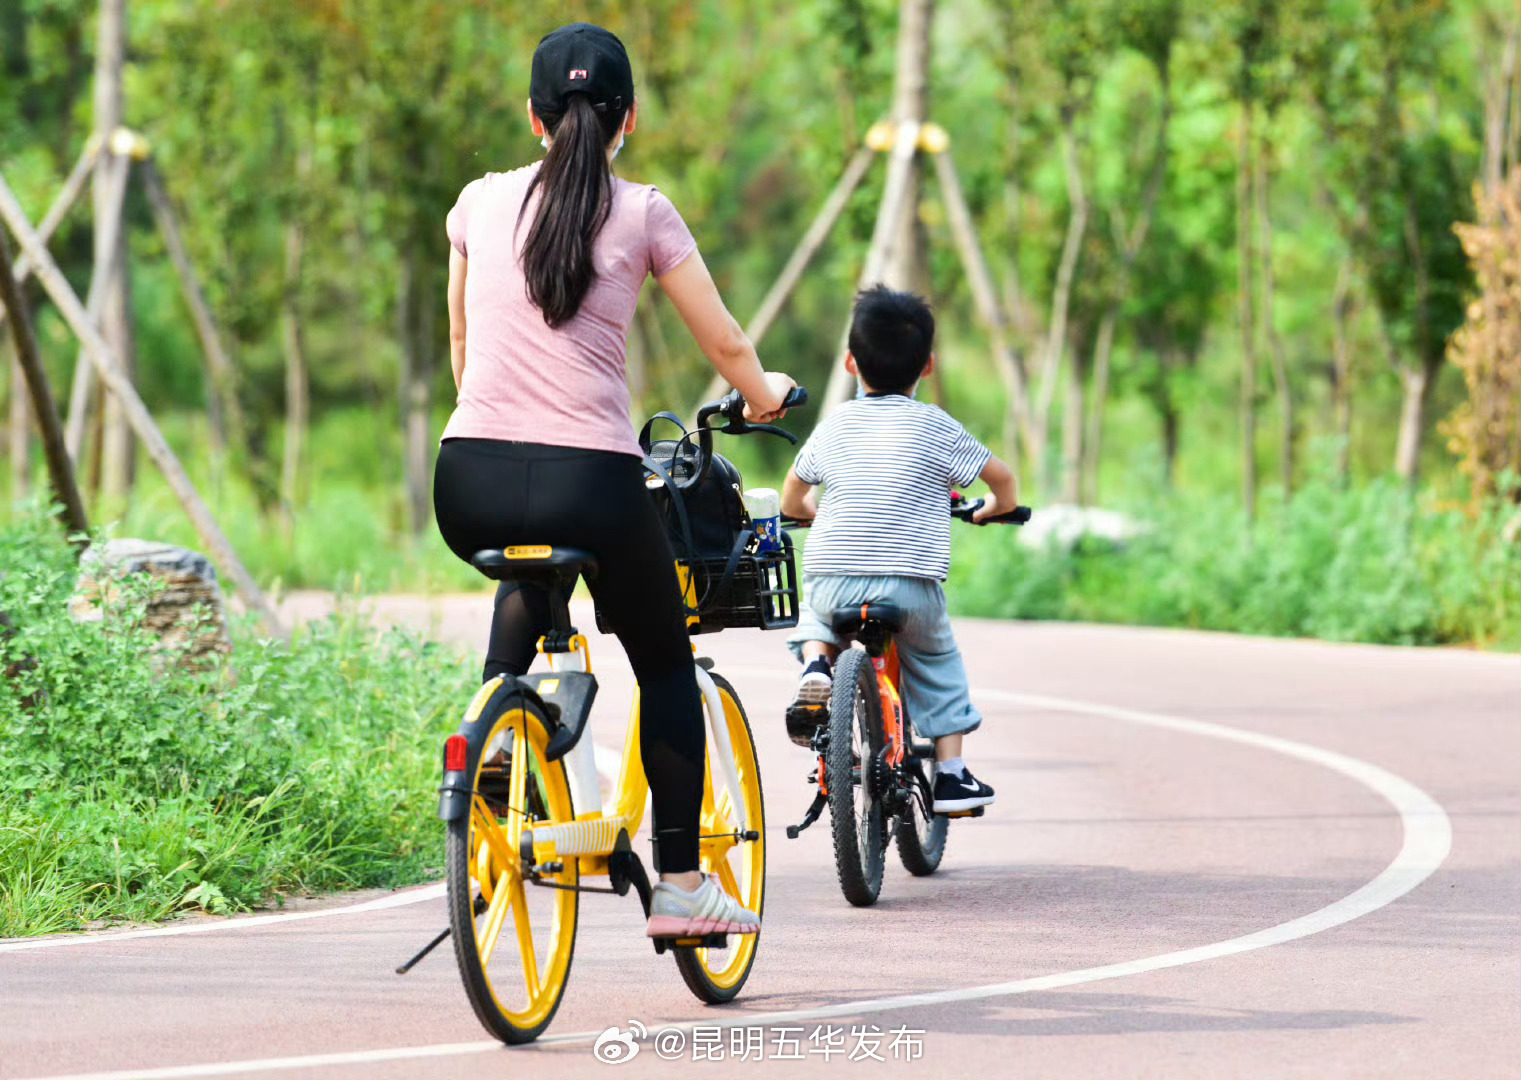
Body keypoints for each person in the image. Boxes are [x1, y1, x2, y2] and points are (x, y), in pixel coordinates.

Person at [434, 22, 795, 937]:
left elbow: (462, 346)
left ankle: (492, 759)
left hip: (466, 477)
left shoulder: (477, 203)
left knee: (527, 575)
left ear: (533, 117)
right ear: (628, 118)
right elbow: (726, 344)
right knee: (664, 662)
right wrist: (764, 397)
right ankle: (679, 885)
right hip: (591, 480)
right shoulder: (642, 213)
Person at [780, 285, 1015, 813]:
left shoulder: (835, 423)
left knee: (816, 615)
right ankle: (951, 776)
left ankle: (816, 667)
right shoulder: (936, 425)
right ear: (927, 365)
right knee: (936, 661)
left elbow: (794, 491)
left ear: (850, 362)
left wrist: (807, 513)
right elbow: (1001, 479)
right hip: (909, 585)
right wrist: (996, 506)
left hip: (833, 577)